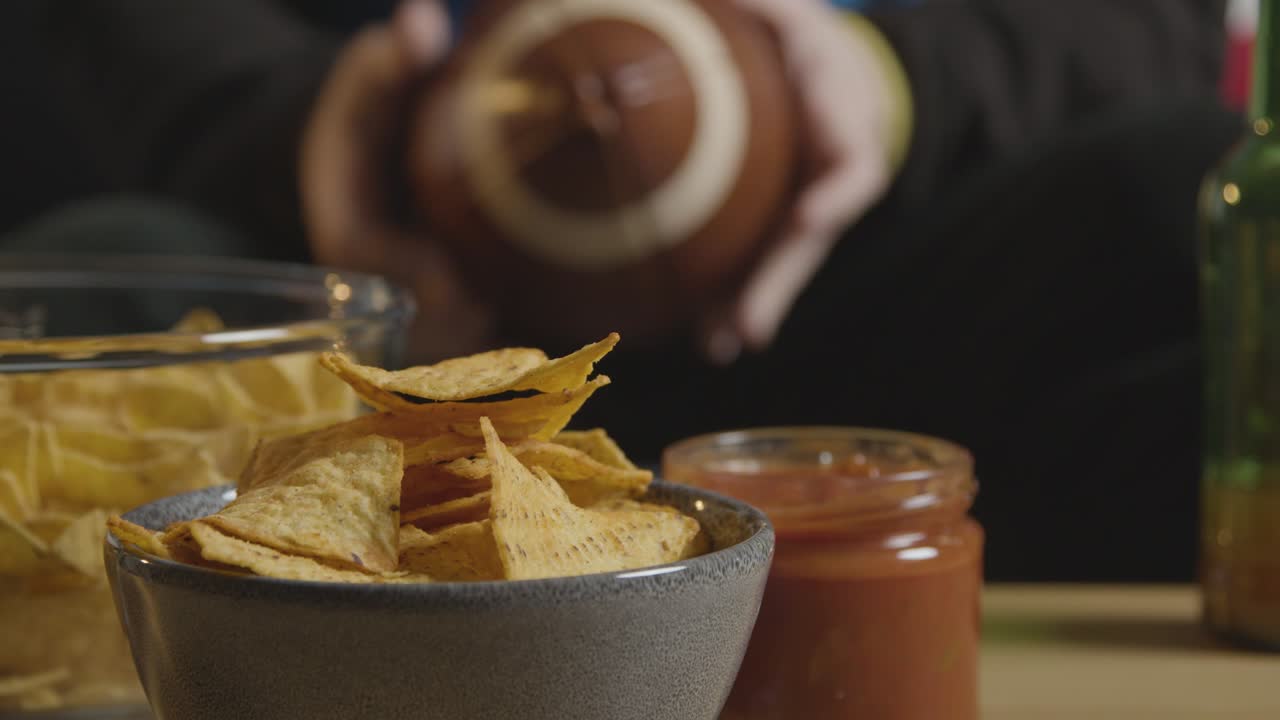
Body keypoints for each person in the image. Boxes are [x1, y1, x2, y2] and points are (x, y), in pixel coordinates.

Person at [14, 0, 1237, 581]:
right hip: (368, 307)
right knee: (101, 289)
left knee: (1180, 190)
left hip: (880, 280)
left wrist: (888, 79)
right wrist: (301, 132)